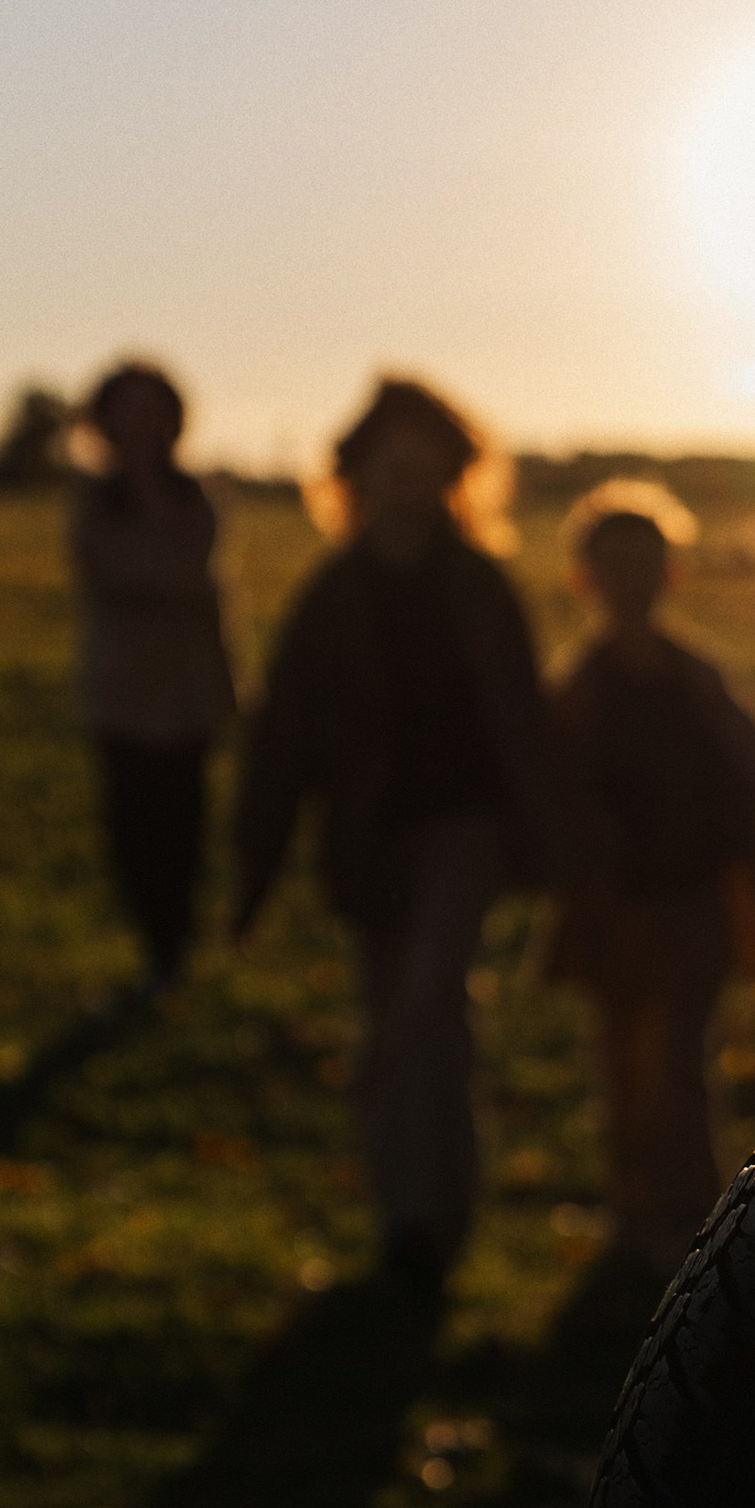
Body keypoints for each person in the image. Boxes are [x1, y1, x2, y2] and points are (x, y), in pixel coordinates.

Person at [235, 377, 548, 1297]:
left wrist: (550, 841)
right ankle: (406, 1217)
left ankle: (432, 1220)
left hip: (466, 834)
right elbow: (281, 740)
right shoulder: (328, 598)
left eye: (425, 470)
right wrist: (256, 869)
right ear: (355, 479)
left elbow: (527, 726)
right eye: (391, 469)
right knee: (394, 1028)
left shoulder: (484, 587)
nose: (408, 486)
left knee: (426, 1008)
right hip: (369, 846)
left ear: (453, 478)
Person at [546, 482, 755, 1272]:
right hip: (613, 907)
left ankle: (693, 1215)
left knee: (677, 1055)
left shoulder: (701, 681)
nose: (629, 579)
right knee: (621, 1055)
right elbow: (553, 798)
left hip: (696, 899)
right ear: (585, 578)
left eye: (645, 561)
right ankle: (637, 1209)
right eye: (613, 564)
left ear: (673, 574)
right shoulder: (576, 687)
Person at [66, 359, 237, 994]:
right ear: (104, 420)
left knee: (185, 829)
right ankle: (157, 942)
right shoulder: (93, 502)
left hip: (189, 698)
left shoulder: (198, 498)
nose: (141, 422)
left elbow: (188, 577)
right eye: (127, 408)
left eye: (152, 408)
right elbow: (122, 572)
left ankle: (174, 947)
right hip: (121, 699)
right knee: (131, 833)